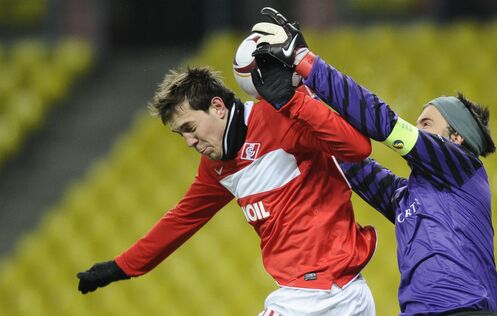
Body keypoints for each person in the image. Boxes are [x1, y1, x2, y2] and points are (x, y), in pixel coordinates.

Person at [250, 7, 497, 316]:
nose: (417, 128)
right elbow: (349, 161)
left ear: (456, 138)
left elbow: (382, 122)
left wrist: (304, 60)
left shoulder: (462, 168)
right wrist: (300, 96)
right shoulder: (406, 198)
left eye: (427, 123)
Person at [76, 63, 380, 315]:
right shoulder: (217, 167)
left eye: (190, 128)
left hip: (323, 293)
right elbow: (180, 220)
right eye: (180, 135)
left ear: (218, 107)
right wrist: (119, 268)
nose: (189, 143)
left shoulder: (276, 119)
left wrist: (294, 100)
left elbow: (357, 147)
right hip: (320, 293)